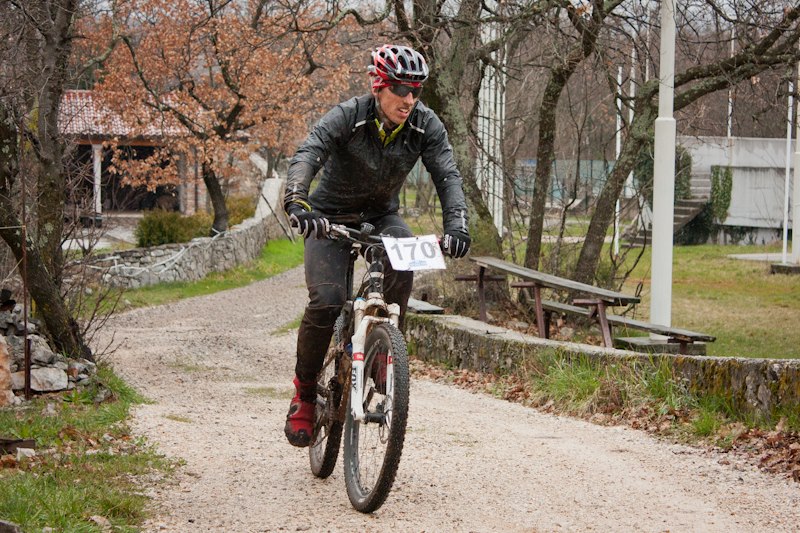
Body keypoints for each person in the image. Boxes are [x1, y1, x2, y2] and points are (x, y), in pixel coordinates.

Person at [282, 44, 471, 447]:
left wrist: (457, 225)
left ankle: (382, 351)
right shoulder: (349, 116)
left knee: (403, 259)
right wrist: (298, 200)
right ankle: (304, 393)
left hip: (382, 216)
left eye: (416, 90)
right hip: (329, 217)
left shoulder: (425, 124)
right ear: (378, 86)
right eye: (400, 89)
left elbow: (447, 175)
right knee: (327, 300)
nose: (409, 99)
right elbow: (309, 152)